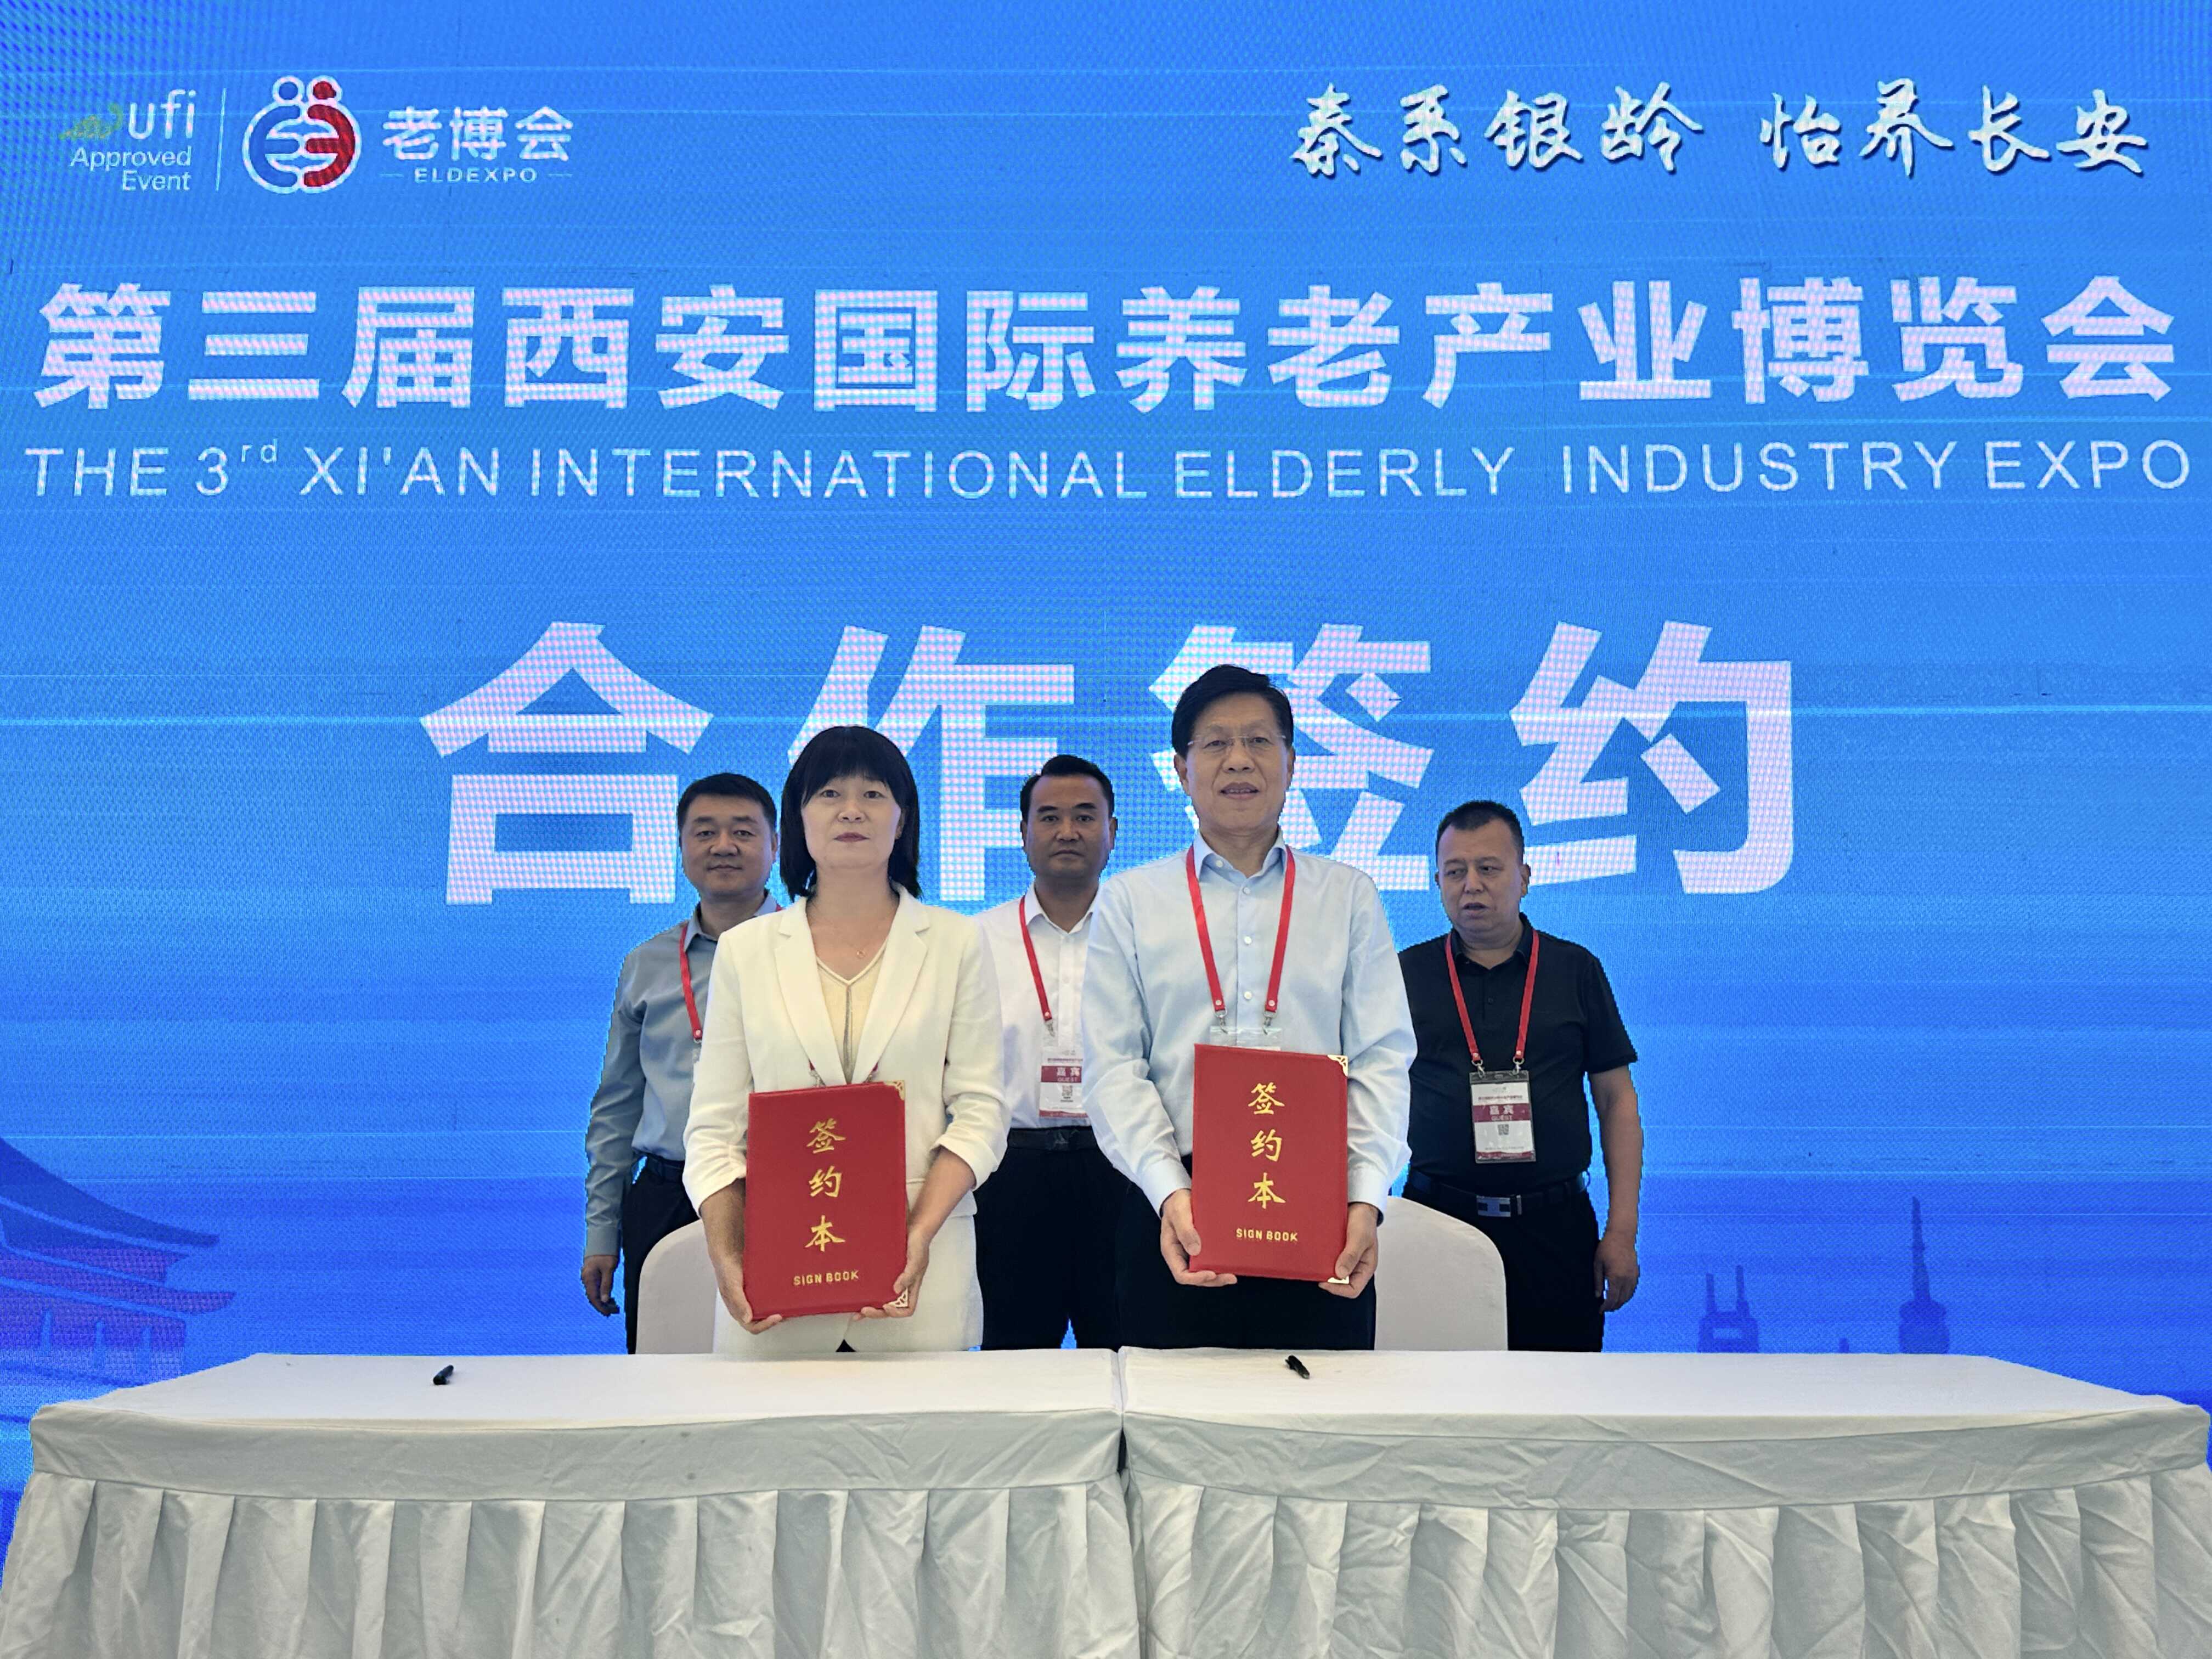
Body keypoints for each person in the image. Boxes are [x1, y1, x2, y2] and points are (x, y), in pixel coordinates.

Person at [1085, 664, 1415, 1350]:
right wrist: (1169, 1191)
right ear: (1181, 770)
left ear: (1292, 764)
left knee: (1322, 1408)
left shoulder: (1347, 896)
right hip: (1174, 1211)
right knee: (1170, 1412)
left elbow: (1382, 1058)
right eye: (1215, 743)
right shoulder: (1131, 901)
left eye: (1260, 741)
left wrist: (1366, 1198)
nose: (1239, 760)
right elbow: (1114, 1067)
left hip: (1318, 1211)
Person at [684, 726, 1008, 1356]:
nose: (852, 810)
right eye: (829, 793)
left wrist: (917, 1236)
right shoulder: (747, 950)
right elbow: (713, 1129)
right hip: (778, 1275)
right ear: (798, 819)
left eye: (873, 794)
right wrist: (727, 1255)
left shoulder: (956, 942)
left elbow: (982, 1113)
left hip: (919, 1279)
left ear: (902, 819)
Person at [1398, 799, 1644, 1351]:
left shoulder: (1575, 969)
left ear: (1524, 877)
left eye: (1489, 868)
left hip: (1554, 1228)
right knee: (1435, 1392)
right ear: (1437, 883)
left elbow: (1616, 1102)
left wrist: (1622, 1230)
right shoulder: (1403, 974)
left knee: (1559, 1392)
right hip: (1436, 1221)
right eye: (1455, 872)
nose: (1471, 885)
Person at [581, 773, 780, 1352]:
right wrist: (602, 1231)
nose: (724, 846)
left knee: (786, 1369)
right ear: (681, 846)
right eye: (705, 832)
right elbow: (617, 1106)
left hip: (781, 1192)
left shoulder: (812, 949)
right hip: (667, 1194)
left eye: (743, 832)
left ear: (777, 845)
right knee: (663, 1372)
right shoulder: (646, 964)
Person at [973, 754, 1123, 1348]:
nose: (1067, 832)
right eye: (1050, 817)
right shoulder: (976, 940)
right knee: (1012, 1358)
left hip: (1119, 1170)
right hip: (1010, 1175)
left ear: (1113, 831)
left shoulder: (1140, 935)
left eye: (1085, 817)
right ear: (1024, 832)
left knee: (1129, 1348)